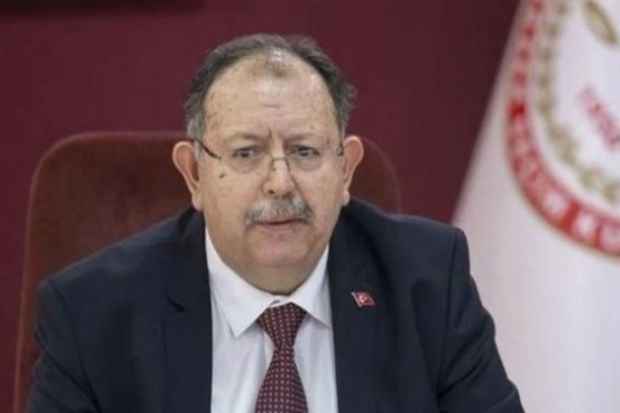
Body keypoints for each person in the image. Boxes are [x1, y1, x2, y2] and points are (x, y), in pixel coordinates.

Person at [27, 34, 523, 412]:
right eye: (246, 153)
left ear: (346, 169)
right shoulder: (92, 316)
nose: (280, 183)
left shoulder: (427, 282)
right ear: (194, 174)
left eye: (305, 151)